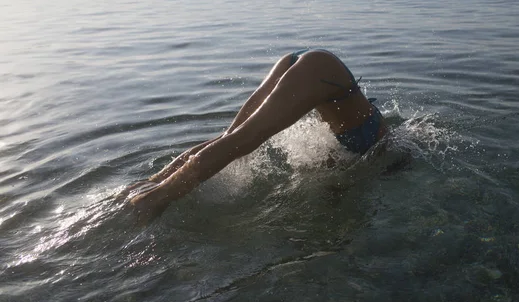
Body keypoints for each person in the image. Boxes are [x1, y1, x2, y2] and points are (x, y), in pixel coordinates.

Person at [120, 49, 388, 221]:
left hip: (309, 61)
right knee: (241, 140)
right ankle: (154, 199)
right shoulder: (379, 149)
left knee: (231, 136)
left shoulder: (367, 140)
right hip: (320, 71)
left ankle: (152, 182)